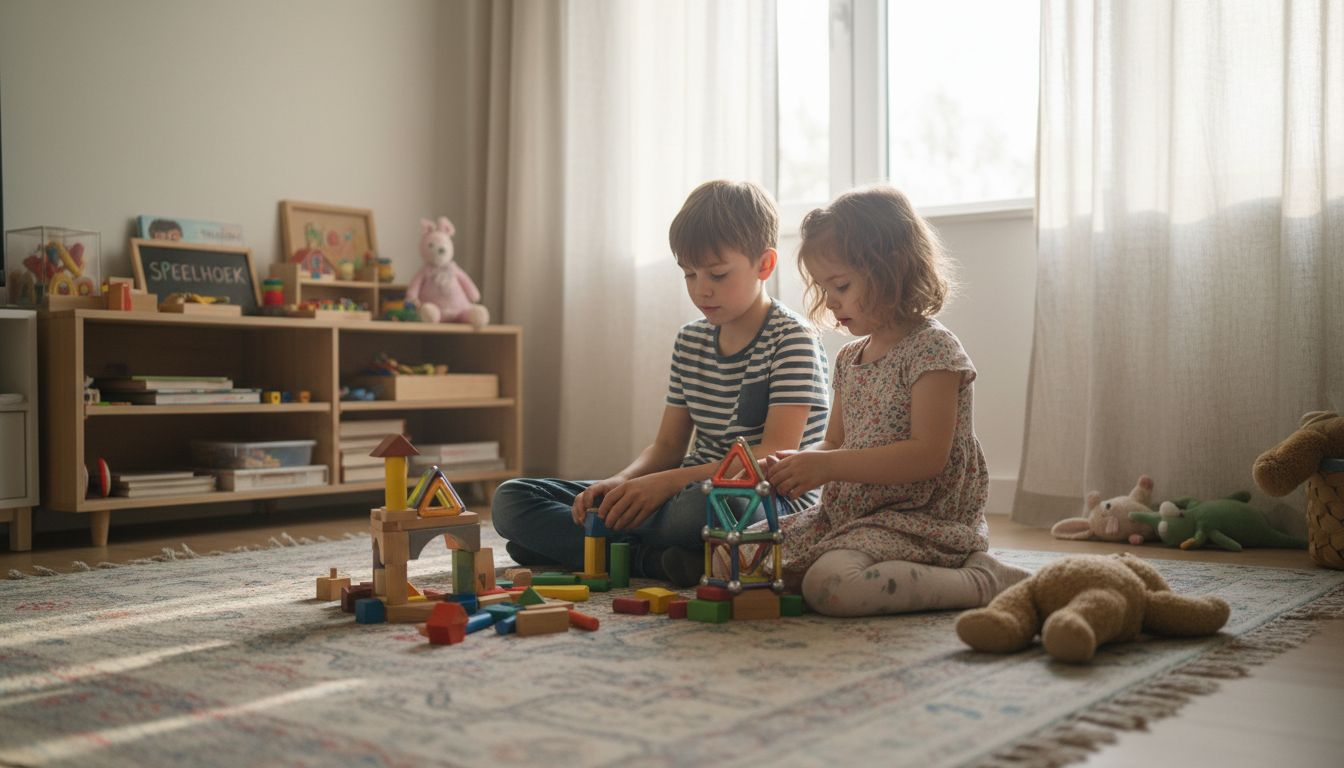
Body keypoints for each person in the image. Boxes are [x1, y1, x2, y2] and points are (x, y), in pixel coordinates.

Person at [492, 180, 830, 586]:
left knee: (695, 511)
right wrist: (621, 482)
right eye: (689, 274)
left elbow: (775, 453)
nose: (701, 289)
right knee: (512, 500)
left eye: (718, 275)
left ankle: (583, 546)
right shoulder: (690, 340)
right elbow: (668, 447)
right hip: (684, 487)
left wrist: (663, 484)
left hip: (763, 497)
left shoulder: (792, 338)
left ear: (764, 264)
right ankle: (652, 560)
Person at [759, 185, 1028, 616]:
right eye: (824, 288)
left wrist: (828, 466)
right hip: (853, 517)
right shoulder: (849, 358)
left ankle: (982, 579)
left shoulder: (932, 350)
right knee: (745, 553)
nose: (831, 302)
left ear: (892, 270)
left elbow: (927, 457)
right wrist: (800, 462)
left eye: (841, 285)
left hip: (921, 520)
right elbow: (833, 443)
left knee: (831, 587)